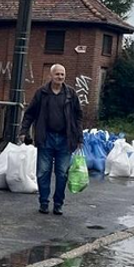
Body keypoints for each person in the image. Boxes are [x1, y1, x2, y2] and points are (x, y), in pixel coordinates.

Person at [19, 63, 84, 215]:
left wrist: (79, 137)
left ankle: (58, 204)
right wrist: (23, 131)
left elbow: (78, 116)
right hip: (45, 137)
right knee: (43, 172)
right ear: (51, 75)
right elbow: (30, 114)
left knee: (62, 173)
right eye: (57, 74)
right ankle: (43, 202)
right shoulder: (41, 93)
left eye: (62, 74)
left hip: (65, 140)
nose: (60, 77)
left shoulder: (71, 94)